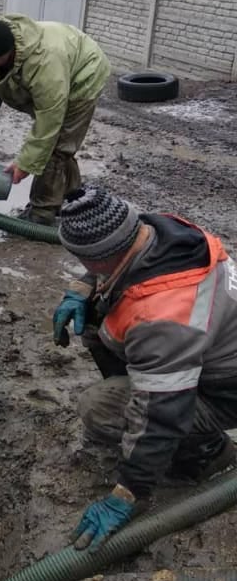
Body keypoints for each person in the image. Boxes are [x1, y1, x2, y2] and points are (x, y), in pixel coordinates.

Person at [54, 187, 237, 551]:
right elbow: (111, 259)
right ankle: (157, 406)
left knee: (99, 409)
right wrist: (80, 288)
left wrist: (128, 493)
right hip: (211, 358)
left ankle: (207, 453)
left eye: (85, 263)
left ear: (100, 257)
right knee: (94, 316)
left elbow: (162, 414)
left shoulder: (163, 319)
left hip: (226, 392)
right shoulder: (158, 232)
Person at [0, 15, 110, 224]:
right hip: (58, 69)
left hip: (85, 73)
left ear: (7, 52)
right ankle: (74, 198)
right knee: (57, 146)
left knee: (57, 145)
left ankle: (41, 213)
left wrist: (25, 164)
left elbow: (48, 122)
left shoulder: (45, 62)